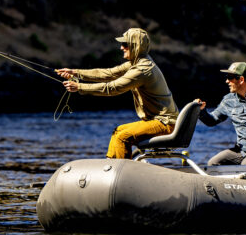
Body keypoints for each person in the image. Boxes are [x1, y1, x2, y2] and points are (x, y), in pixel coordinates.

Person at [56, 27, 179, 159]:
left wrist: (79, 87)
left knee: (123, 137)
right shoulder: (136, 63)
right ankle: (110, 166)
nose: (121, 47)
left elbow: (112, 88)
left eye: (125, 44)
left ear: (135, 46)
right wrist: (74, 72)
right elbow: (108, 73)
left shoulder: (142, 70)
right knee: (118, 131)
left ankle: (122, 173)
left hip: (165, 124)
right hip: (158, 122)